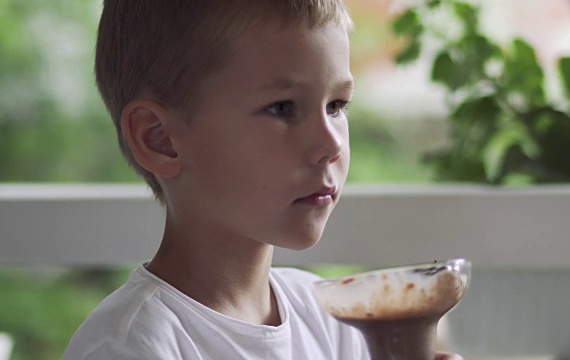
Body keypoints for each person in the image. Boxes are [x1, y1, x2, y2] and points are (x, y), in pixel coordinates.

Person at [64, 1, 463, 359]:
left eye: (337, 105)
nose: (330, 145)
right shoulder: (130, 346)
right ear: (160, 138)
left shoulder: (335, 322)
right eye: (283, 108)